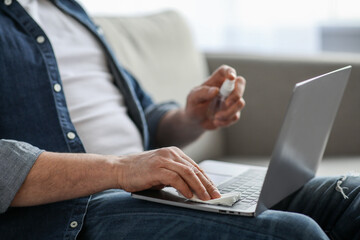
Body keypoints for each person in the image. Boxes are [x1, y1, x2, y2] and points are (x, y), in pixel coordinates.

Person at [0, 0, 359, 239]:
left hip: (148, 190)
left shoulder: (68, 12)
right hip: (72, 209)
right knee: (293, 233)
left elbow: (145, 117)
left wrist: (191, 118)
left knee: (353, 196)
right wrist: (120, 168)